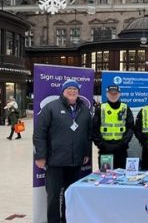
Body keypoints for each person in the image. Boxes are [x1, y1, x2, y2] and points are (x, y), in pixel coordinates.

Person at [33, 79, 92, 223]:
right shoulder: (51, 108)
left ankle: (67, 220)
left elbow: (87, 133)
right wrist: (40, 156)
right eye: (69, 89)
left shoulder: (84, 109)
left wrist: (86, 153)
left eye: (75, 89)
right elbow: (40, 133)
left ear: (78, 92)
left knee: (70, 194)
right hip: (55, 161)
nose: (72, 91)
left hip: (75, 161)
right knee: (53, 196)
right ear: (63, 91)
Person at [92, 85, 134, 169]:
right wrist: (102, 145)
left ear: (119, 94)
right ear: (107, 94)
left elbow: (130, 128)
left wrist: (122, 144)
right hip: (105, 150)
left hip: (121, 150)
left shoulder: (125, 108)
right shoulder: (100, 108)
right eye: (111, 94)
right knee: (105, 177)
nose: (113, 95)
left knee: (122, 177)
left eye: (115, 94)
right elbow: (94, 129)